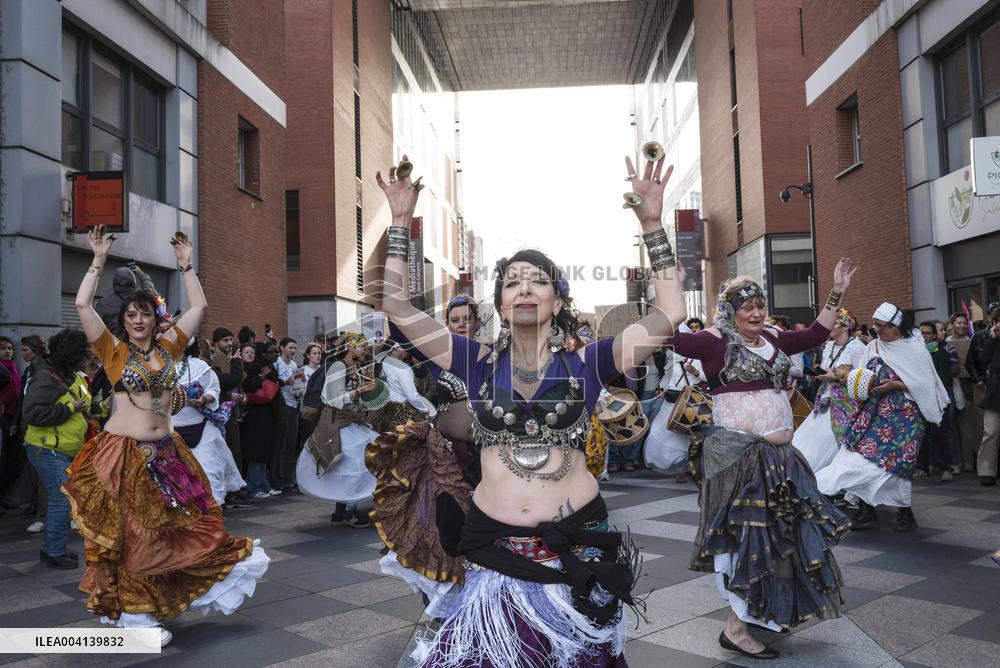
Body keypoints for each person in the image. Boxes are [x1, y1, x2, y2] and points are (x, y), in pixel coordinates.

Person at [377, 152, 686, 667]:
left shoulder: (590, 362)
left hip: (579, 546)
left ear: (558, 300)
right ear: (499, 303)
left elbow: (671, 312)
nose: (524, 287)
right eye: (512, 281)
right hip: (498, 552)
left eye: (537, 279)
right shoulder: (474, 361)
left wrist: (653, 224)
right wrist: (399, 224)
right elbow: (396, 306)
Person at [66, 226, 268, 645]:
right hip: (125, 455)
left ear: (156, 316)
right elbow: (82, 303)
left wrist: (185, 265)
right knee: (139, 534)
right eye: (131, 315)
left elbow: (200, 306)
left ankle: (158, 599)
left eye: (145, 313)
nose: (138, 320)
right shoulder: (113, 351)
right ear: (123, 320)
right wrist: (98, 258)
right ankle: (137, 616)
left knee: (188, 526)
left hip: (169, 451)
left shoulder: (170, 347)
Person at [668, 262, 854, 659]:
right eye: (746, 306)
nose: (755, 313)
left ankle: (761, 612)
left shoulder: (772, 337)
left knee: (780, 536)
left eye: (759, 305)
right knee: (746, 539)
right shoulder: (713, 341)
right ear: (730, 309)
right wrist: (672, 284)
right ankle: (736, 628)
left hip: (780, 456)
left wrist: (836, 291)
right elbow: (669, 337)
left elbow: (815, 333)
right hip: (739, 457)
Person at [816, 304, 950, 531]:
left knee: (899, 463)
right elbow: (860, 374)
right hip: (875, 412)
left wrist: (895, 384)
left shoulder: (914, 349)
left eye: (881, 326)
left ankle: (904, 513)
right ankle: (866, 509)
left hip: (906, 415)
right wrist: (849, 378)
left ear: (895, 325)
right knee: (860, 455)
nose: (876, 330)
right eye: (875, 325)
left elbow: (926, 383)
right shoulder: (875, 346)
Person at [21, 328, 95, 569]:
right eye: (83, 353)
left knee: (61, 498)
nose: (87, 356)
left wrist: (99, 409)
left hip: (63, 449)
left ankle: (50, 549)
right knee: (61, 499)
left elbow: (82, 408)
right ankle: (54, 552)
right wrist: (70, 409)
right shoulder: (45, 377)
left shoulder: (71, 375)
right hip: (47, 448)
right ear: (71, 355)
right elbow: (31, 414)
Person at [296, 336, 378, 528]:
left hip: (349, 421)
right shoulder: (338, 366)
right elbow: (333, 398)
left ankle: (342, 511)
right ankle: (348, 512)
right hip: (338, 423)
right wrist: (358, 392)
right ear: (350, 347)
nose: (365, 350)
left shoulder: (353, 367)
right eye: (361, 346)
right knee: (355, 465)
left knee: (352, 466)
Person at [174, 338, 247, 508]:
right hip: (169, 433)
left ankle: (213, 519)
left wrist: (204, 399)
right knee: (177, 482)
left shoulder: (199, 366)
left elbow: (214, 389)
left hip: (201, 429)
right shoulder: (155, 366)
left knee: (209, 474)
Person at [792, 308, 866, 474]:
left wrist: (836, 377)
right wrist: (819, 374)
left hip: (845, 403)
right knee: (810, 436)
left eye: (835, 323)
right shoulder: (829, 346)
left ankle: (826, 477)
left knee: (830, 439)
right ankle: (803, 473)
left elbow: (861, 377)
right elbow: (824, 368)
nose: (830, 326)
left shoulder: (857, 347)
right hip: (825, 397)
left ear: (846, 327)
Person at [643, 324, 705, 479]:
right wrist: (661, 389)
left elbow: (706, 377)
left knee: (691, 435)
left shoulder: (697, 355)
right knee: (667, 433)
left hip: (691, 400)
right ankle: (680, 469)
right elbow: (667, 377)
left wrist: (695, 372)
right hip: (671, 400)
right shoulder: (670, 355)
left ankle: (692, 467)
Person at [240, 343, 284, 499]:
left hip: (269, 417)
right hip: (255, 418)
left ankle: (263, 483)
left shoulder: (266, 368)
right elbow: (256, 392)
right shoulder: (247, 372)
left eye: (252, 352)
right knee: (256, 454)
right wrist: (260, 376)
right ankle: (254, 486)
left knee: (265, 452)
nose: (250, 355)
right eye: (247, 352)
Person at [916, 321, 957, 481]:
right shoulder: (917, 352)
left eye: (927, 333)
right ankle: (922, 467)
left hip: (938, 398)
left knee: (941, 434)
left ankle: (946, 468)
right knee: (922, 434)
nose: (924, 336)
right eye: (922, 333)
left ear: (934, 335)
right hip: (921, 398)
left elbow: (944, 377)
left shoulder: (941, 351)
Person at [948, 312, 979, 472]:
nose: (961, 325)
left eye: (964, 323)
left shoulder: (971, 341)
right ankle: (957, 461)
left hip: (968, 387)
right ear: (952, 324)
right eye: (958, 323)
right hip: (952, 386)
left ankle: (968, 461)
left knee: (968, 426)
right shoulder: (946, 343)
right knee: (954, 427)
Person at [94, 265, 157, 337]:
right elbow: (150, 290)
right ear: (133, 282)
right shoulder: (143, 300)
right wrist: (142, 274)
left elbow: (94, 328)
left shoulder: (103, 304)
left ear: (114, 283)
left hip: (114, 345)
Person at [973, 315, 1000, 486]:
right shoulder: (991, 340)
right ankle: (986, 471)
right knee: (990, 432)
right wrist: (992, 338)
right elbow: (981, 362)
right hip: (995, 392)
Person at [273, 337, 301, 491]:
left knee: (290, 442)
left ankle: (286, 476)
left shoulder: (295, 364)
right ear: (282, 347)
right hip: (282, 404)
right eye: (290, 347)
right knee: (282, 442)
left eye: (295, 348)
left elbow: (297, 382)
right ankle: (278, 477)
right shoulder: (276, 363)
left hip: (293, 402)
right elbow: (275, 383)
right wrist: (286, 382)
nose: (293, 351)